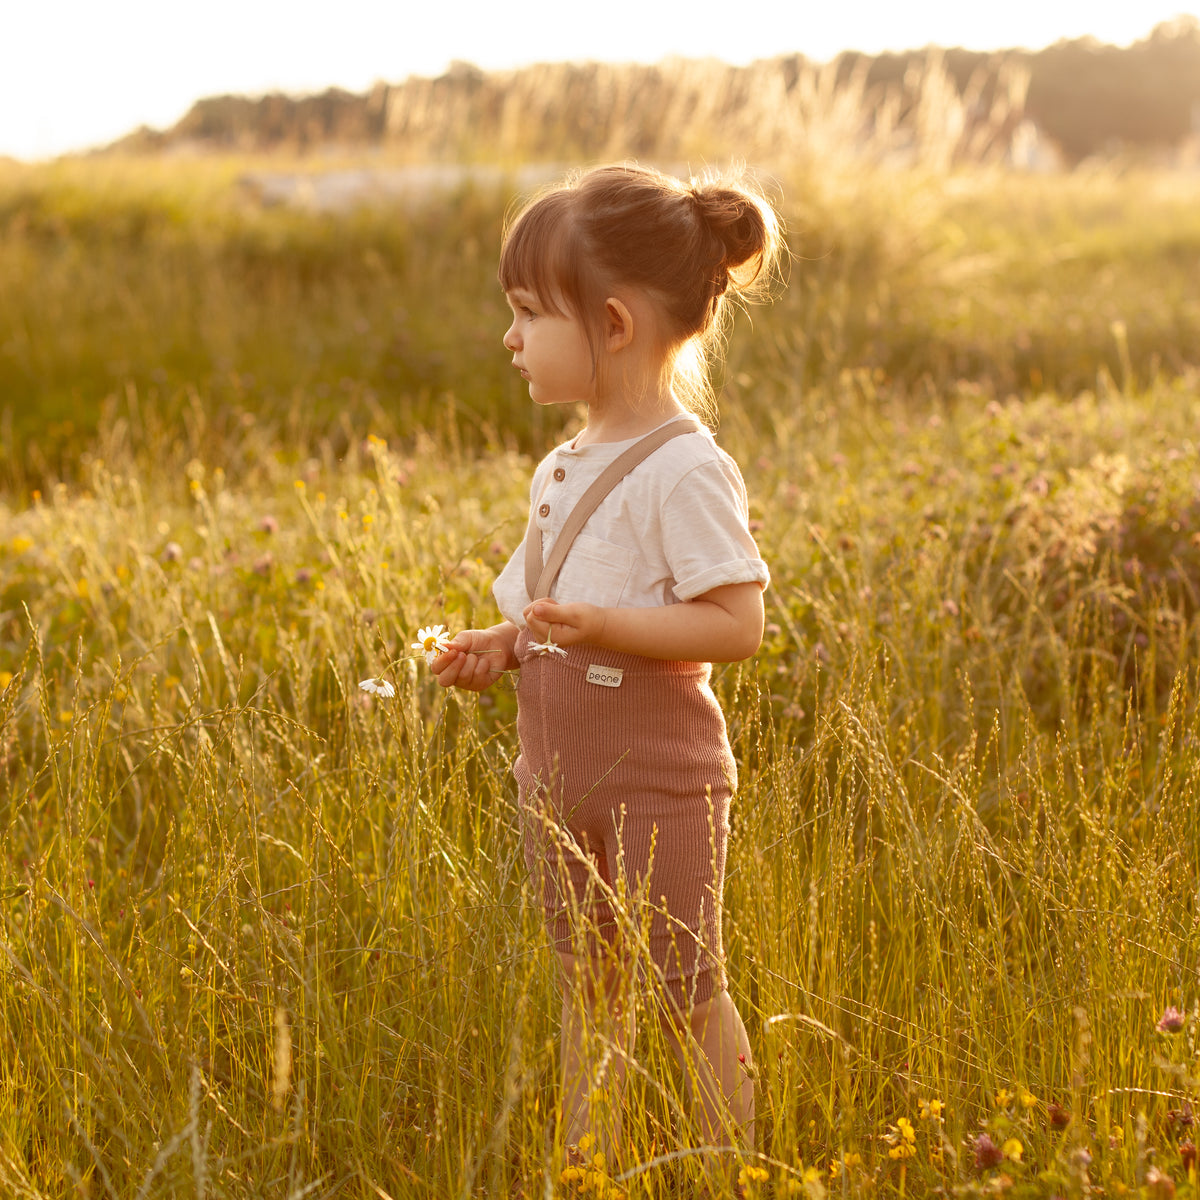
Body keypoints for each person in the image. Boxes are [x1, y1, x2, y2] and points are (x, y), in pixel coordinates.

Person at [431, 162, 782, 1186]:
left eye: (531, 314)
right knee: (589, 986)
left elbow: (737, 621)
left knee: (684, 984)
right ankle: (587, 1164)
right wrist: (497, 645)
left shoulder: (683, 466)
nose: (511, 338)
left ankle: (728, 1169)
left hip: (660, 782)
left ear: (614, 324)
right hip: (559, 777)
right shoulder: (562, 466)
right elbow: (546, 610)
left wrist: (609, 628)